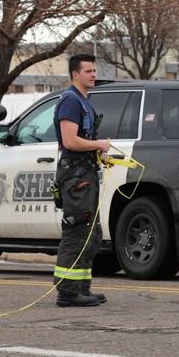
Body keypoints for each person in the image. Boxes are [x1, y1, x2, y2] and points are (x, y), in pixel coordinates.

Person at [51, 54, 112, 307]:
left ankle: (82, 288)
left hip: (85, 173)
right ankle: (67, 292)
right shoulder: (70, 101)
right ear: (75, 74)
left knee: (91, 233)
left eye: (94, 70)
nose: (93, 75)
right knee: (77, 231)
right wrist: (99, 144)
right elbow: (70, 141)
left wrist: (97, 153)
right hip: (76, 176)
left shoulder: (83, 101)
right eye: (88, 71)